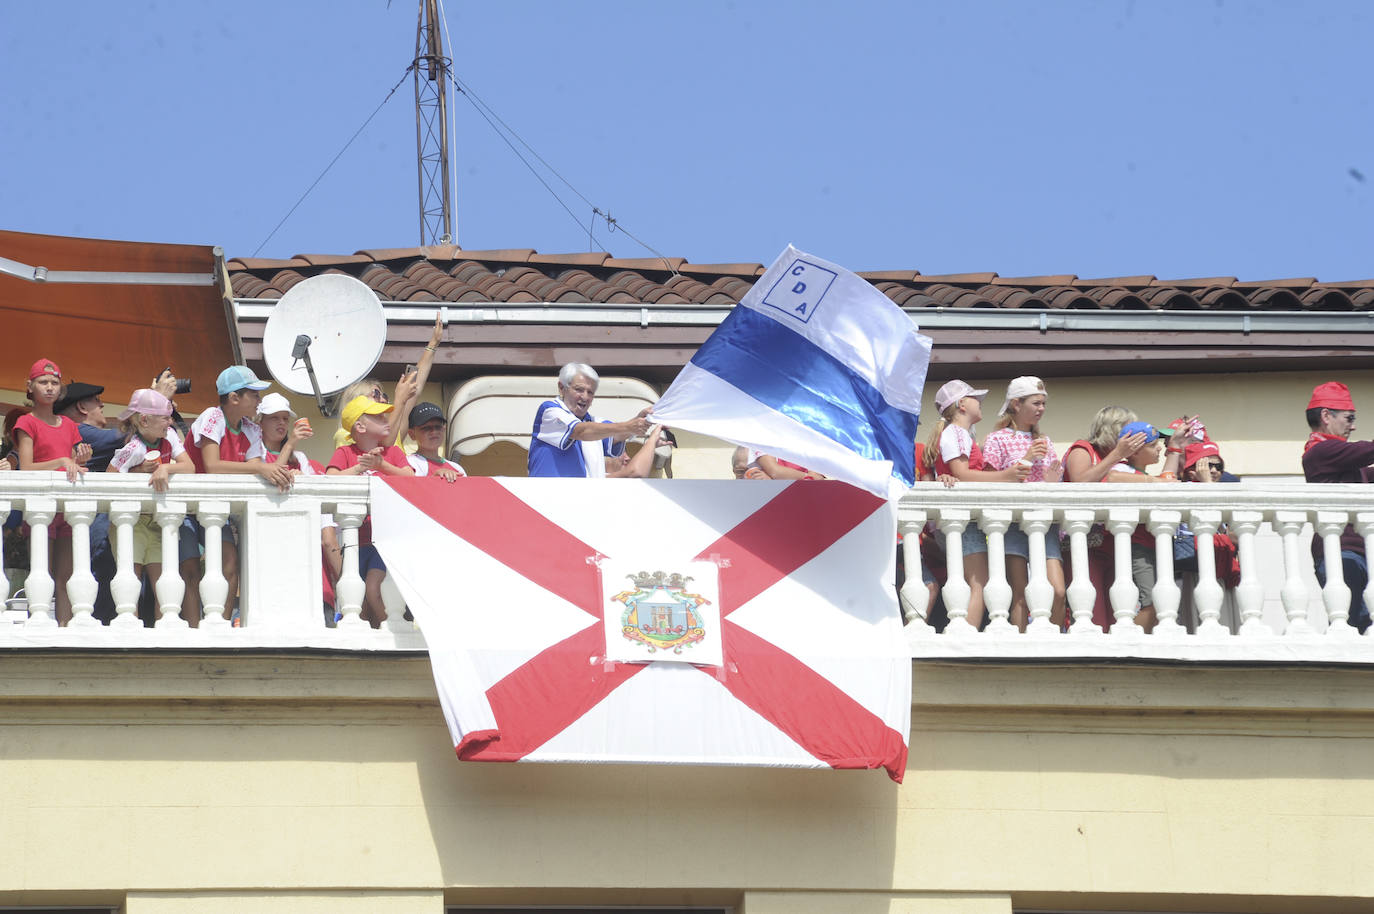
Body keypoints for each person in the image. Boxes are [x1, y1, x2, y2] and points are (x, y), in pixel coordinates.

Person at [185, 366, 294, 620]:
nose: (259, 400)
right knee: (189, 570)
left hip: (218, 509)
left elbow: (257, 471)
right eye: (254, 395)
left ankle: (219, 629)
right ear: (234, 398)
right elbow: (213, 466)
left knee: (229, 565)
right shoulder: (212, 416)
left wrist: (272, 470)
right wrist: (259, 467)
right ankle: (193, 632)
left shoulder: (250, 428)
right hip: (187, 507)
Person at [919, 380, 1028, 629]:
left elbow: (957, 473)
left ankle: (965, 632)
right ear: (961, 405)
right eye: (974, 398)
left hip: (961, 519)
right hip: (961, 520)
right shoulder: (956, 433)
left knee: (976, 582)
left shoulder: (959, 433)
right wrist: (1006, 476)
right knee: (978, 583)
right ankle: (964, 635)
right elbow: (962, 472)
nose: (979, 403)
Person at [105, 389, 199, 625]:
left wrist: (165, 468)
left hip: (158, 523)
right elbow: (110, 478)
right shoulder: (133, 449)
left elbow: (189, 467)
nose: (170, 422)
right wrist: (137, 473)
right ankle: (130, 634)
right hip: (132, 524)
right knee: (131, 585)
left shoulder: (170, 437)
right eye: (165, 417)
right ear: (145, 420)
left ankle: (163, 634)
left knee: (164, 586)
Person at [981, 376, 1066, 629]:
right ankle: (1020, 644)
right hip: (1011, 523)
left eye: (1043, 404)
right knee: (1020, 593)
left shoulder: (1046, 441)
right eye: (1036, 403)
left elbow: (1052, 483)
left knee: (1058, 591)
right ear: (1016, 404)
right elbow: (989, 479)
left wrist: (1052, 482)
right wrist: (1028, 457)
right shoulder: (997, 439)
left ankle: (1054, 643)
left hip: (1044, 522)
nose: (1041, 409)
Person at [13, 359, 92, 625]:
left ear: (61, 389)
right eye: (43, 382)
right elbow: (25, 467)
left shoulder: (70, 425)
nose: (49, 388)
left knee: (66, 576)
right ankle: (37, 628)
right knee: (41, 572)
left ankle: (66, 631)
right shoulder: (27, 422)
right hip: (41, 506)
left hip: (67, 507)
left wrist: (81, 458)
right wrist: (61, 461)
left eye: (54, 383)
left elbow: (74, 464)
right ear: (30, 387)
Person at [327, 395, 416, 626]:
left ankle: (394, 630)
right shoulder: (345, 453)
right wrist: (359, 467)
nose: (386, 419)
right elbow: (331, 478)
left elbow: (410, 478)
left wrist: (381, 466)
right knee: (361, 599)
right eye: (378, 416)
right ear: (360, 426)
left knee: (374, 587)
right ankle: (375, 635)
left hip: (384, 539)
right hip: (356, 539)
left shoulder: (392, 453)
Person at [257, 392, 342, 625]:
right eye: (274, 417)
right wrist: (292, 443)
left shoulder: (302, 459)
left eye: (285, 418)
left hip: (307, 564)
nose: (282, 423)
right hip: (270, 556)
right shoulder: (254, 455)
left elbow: (324, 523)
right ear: (260, 422)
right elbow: (271, 474)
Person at [1301, 381, 1374, 632]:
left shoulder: (1341, 457)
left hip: (1356, 552)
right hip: (1342, 553)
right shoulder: (1322, 451)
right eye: (1349, 418)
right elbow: (1367, 450)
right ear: (1325, 416)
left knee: (1359, 623)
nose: (1353, 425)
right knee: (1354, 624)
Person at [528, 362, 651, 478]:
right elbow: (581, 431)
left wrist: (639, 420)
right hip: (545, 496)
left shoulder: (594, 422)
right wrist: (629, 426)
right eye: (579, 390)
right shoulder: (550, 410)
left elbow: (617, 435)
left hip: (584, 497)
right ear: (562, 388)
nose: (585, 397)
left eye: (590, 392)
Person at [405, 402, 466, 480]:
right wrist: (434, 479)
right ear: (411, 434)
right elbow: (410, 490)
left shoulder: (457, 468)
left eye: (438, 427)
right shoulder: (409, 463)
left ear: (444, 429)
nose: (434, 432)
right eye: (426, 428)